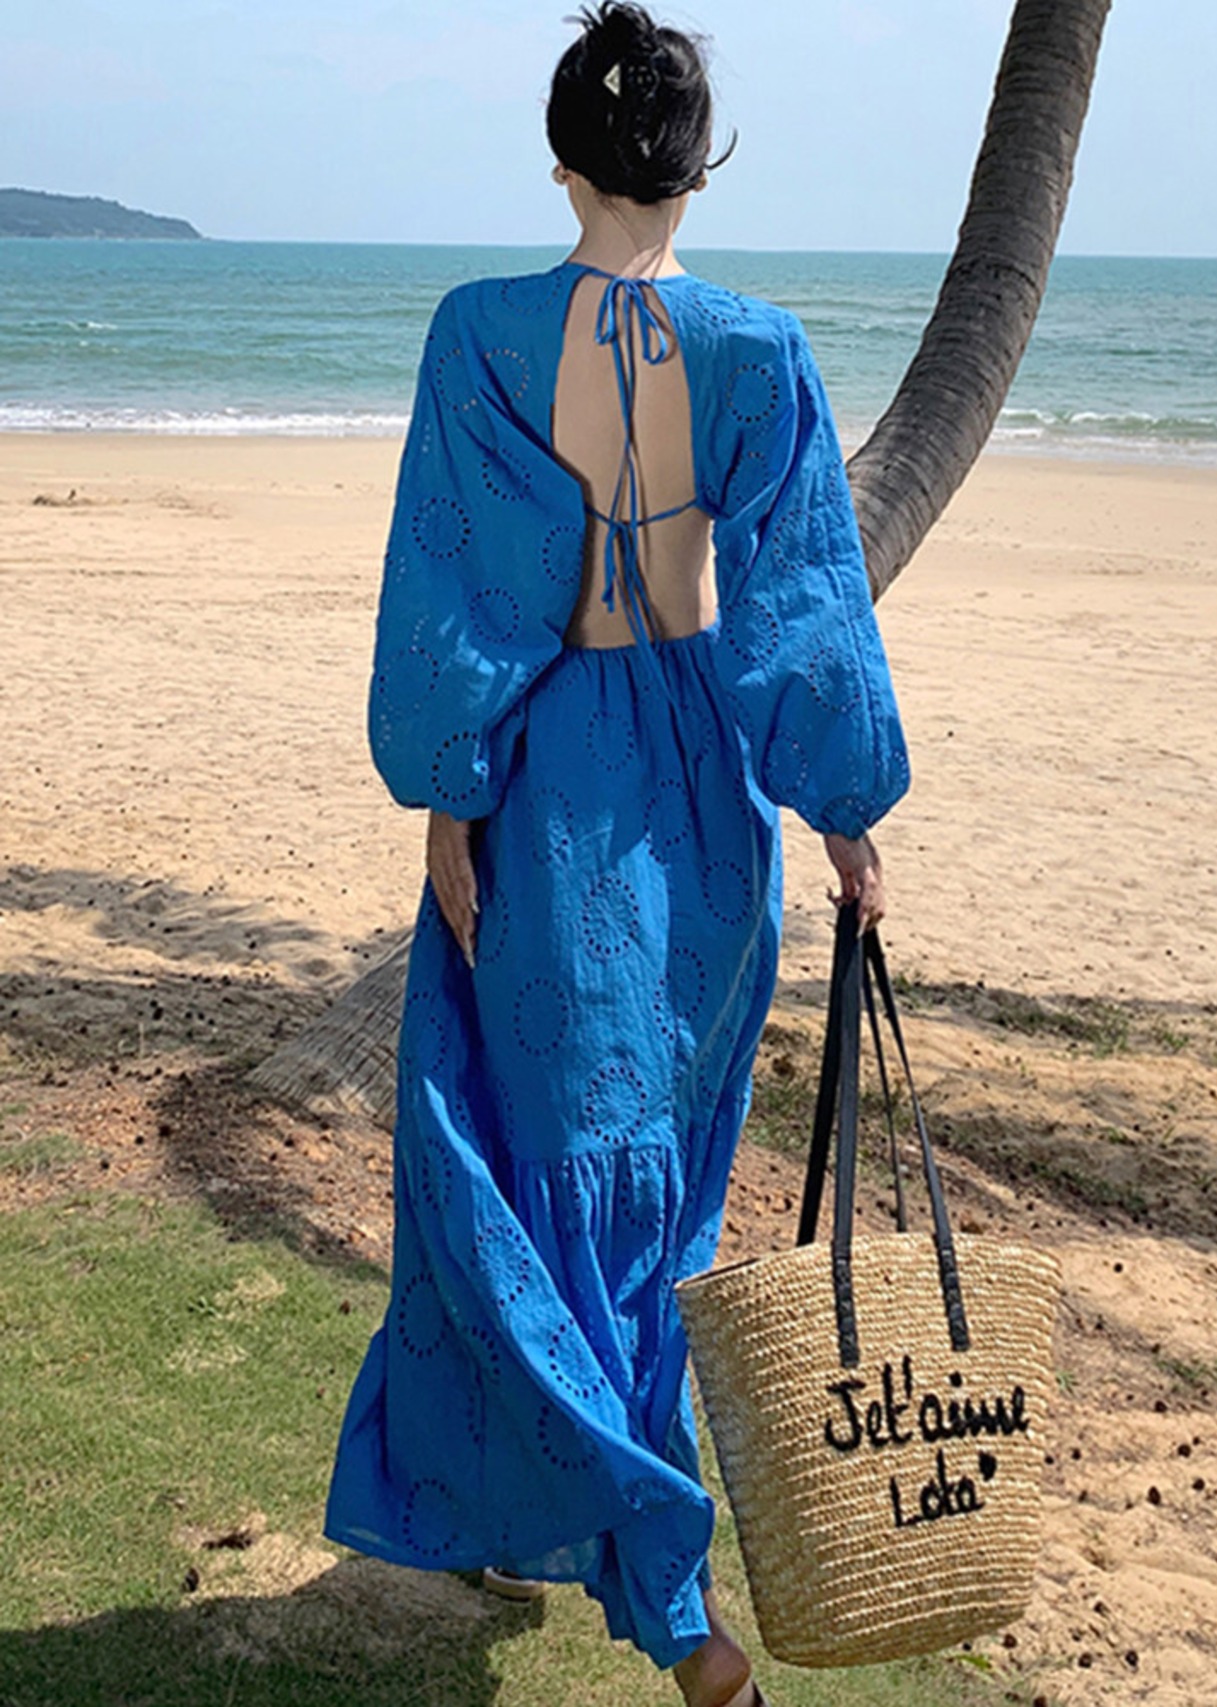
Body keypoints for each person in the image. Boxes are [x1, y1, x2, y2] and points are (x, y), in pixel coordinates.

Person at [323, 5, 909, 1703]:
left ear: (563, 163)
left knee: (510, 1157)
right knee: (648, 1190)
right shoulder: (758, 351)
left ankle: (663, 1590)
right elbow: (801, 610)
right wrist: (846, 815)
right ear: (697, 170)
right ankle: (580, 1519)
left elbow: (448, 595)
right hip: (701, 799)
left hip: (545, 783)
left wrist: (451, 790)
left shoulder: (480, 336)